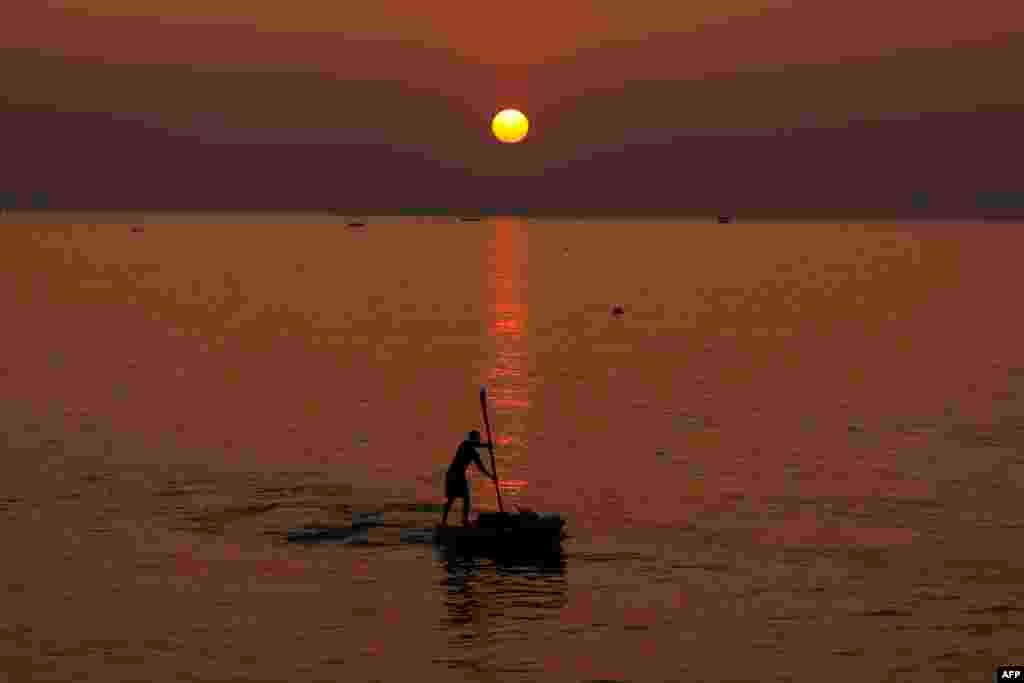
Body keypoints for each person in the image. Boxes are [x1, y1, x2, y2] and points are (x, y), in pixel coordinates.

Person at [441, 430, 494, 527]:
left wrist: (491, 476)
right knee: (452, 498)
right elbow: (473, 444)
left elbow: (480, 467)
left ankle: (463, 520)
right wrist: (486, 446)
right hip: (453, 474)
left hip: (459, 475)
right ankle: (445, 521)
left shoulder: (473, 453)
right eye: (477, 438)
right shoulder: (464, 445)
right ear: (473, 439)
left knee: (464, 498)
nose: (478, 440)